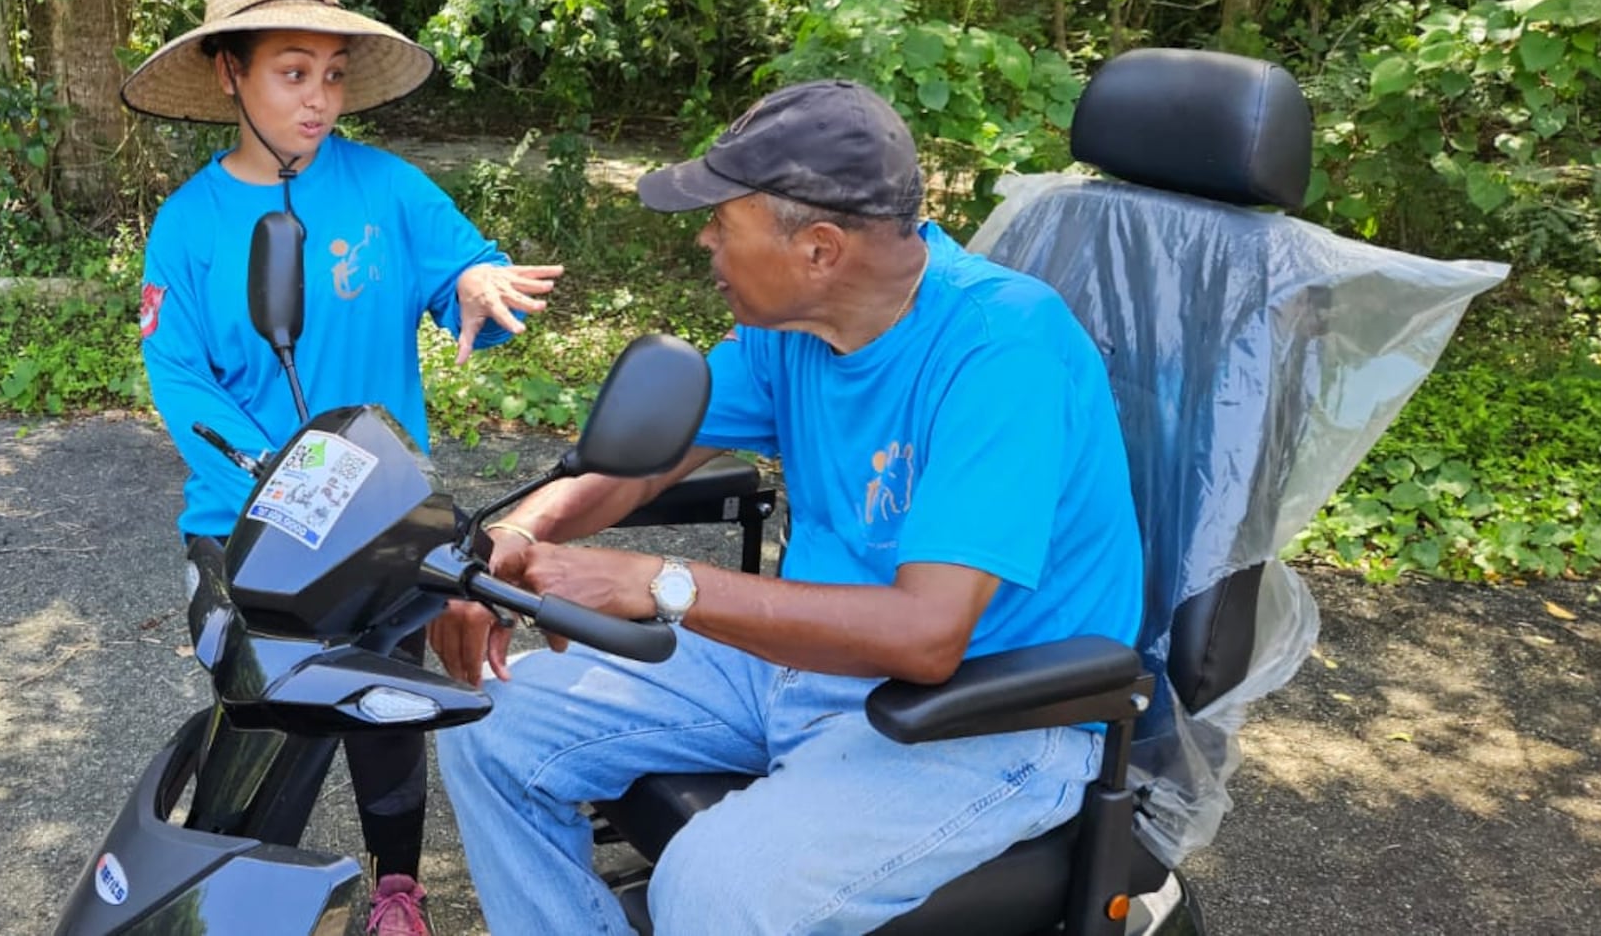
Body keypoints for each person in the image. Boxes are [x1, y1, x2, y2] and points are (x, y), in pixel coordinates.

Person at [427, 79, 1146, 935]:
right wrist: (516, 535)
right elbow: (643, 463)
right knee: (488, 722)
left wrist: (663, 583)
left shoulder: (1003, 349)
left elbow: (927, 635)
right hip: (805, 666)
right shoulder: (793, 328)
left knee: (710, 886)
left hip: (990, 715)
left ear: (820, 249)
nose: (703, 239)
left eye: (721, 222)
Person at [122, 0, 561, 936]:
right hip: (243, 522)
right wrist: (274, 479)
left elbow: (464, 272)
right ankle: (238, 887)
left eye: (329, 73)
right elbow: (180, 380)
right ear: (230, 74)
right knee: (265, 713)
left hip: (381, 524)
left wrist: (475, 283)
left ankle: (395, 887)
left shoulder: (385, 190)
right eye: (290, 72)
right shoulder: (186, 224)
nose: (317, 97)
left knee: (383, 709)